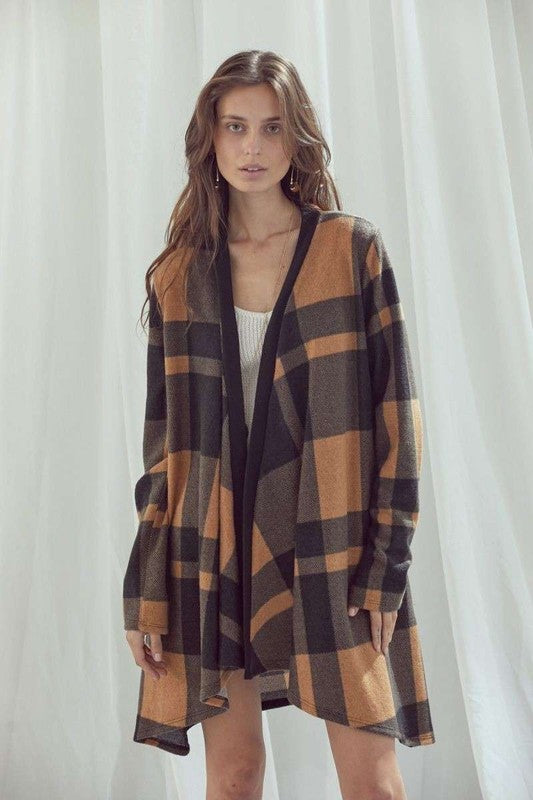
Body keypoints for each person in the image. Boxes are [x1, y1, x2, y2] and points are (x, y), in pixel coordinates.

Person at [123, 49, 435, 800]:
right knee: (233, 775)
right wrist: (146, 587)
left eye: (271, 128)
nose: (253, 147)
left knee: (373, 781)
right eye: (235, 127)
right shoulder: (178, 275)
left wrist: (386, 568)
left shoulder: (349, 250)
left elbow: (399, 417)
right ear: (210, 138)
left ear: (297, 138)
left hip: (335, 544)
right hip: (213, 549)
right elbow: (164, 453)